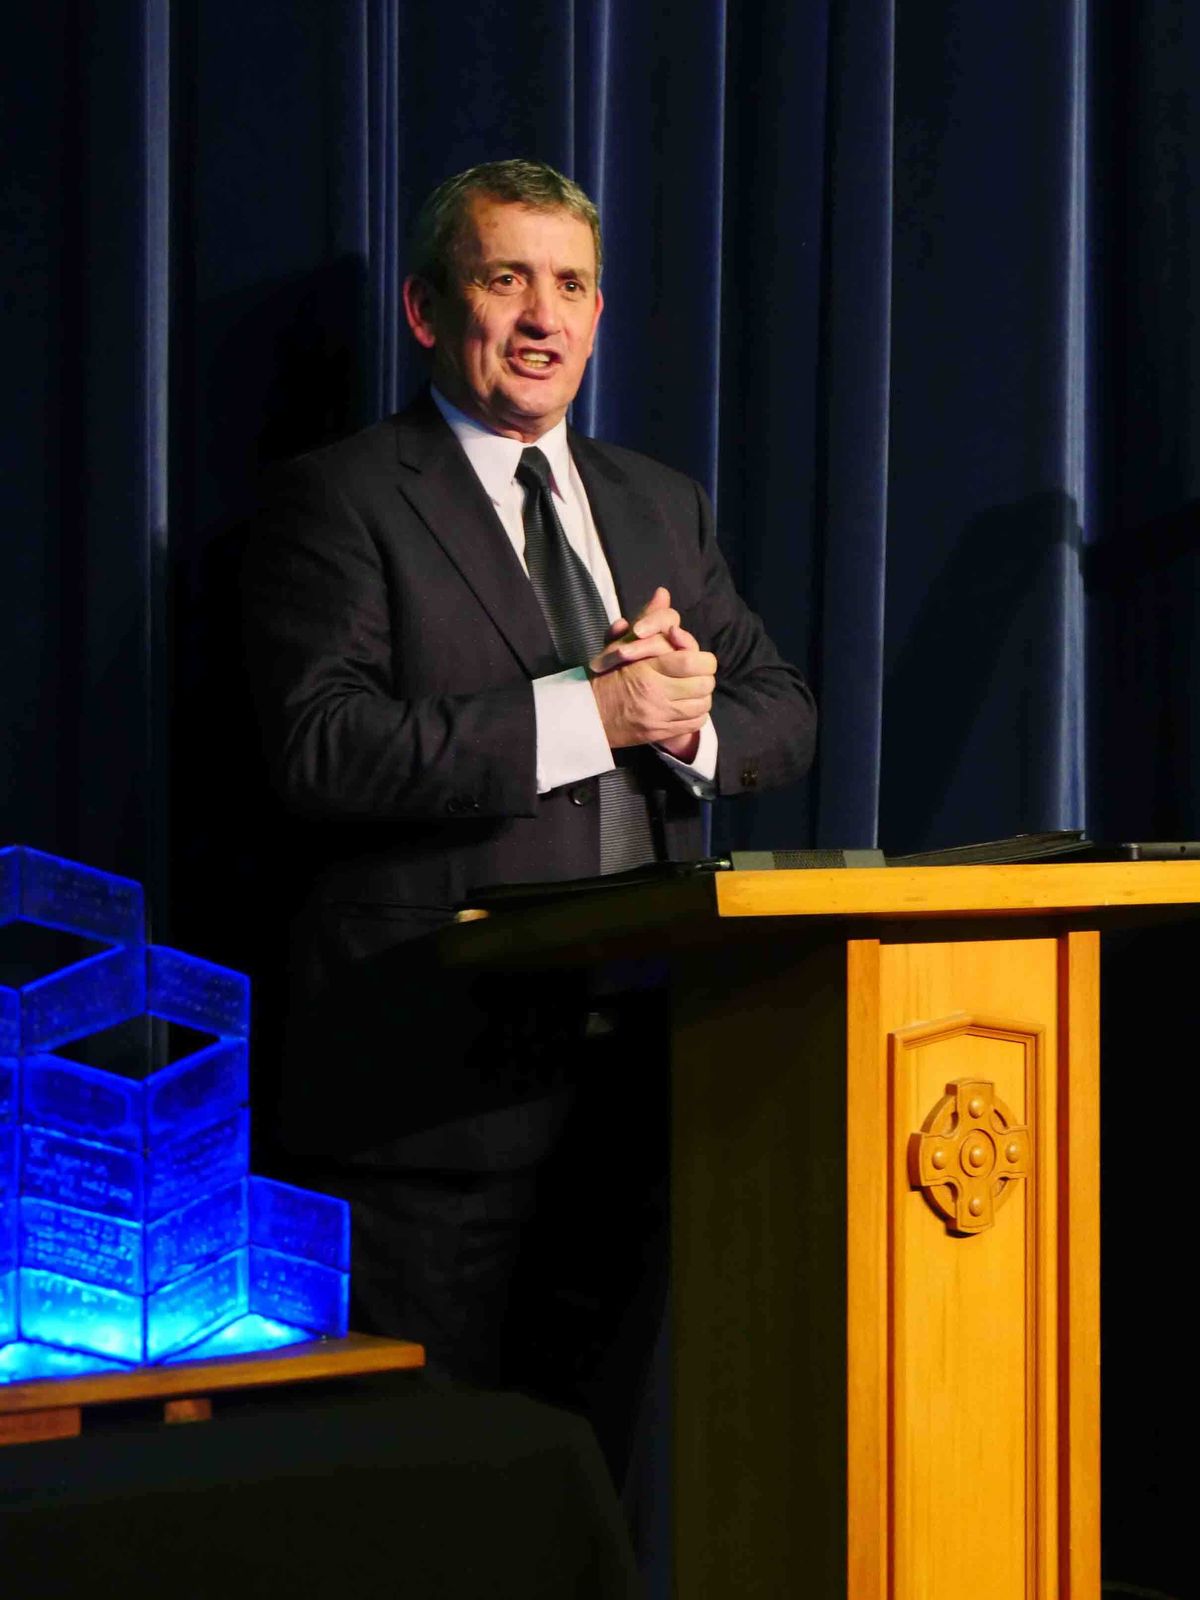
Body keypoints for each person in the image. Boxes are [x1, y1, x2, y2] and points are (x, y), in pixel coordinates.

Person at [242, 159, 816, 1490]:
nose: (542, 318)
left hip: (640, 1081)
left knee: (587, 1475)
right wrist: (590, 713)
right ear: (429, 309)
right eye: (506, 280)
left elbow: (783, 710)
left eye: (570, 285)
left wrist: (685, 720)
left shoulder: (657, 502)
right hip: (431, 1092)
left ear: (600, 313)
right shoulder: (340, 496)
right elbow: (320, 745)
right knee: (428, 1496)